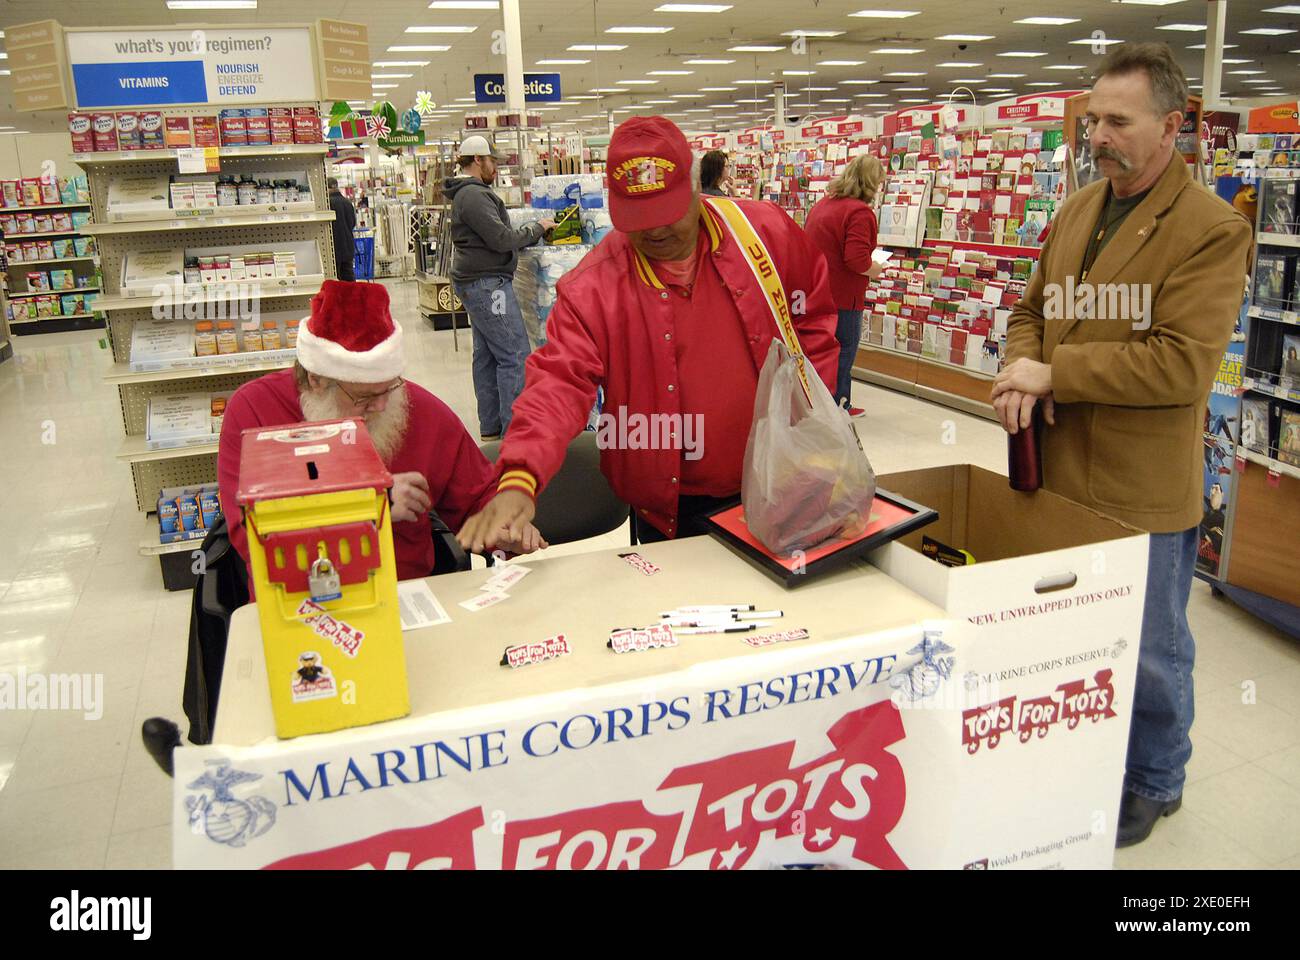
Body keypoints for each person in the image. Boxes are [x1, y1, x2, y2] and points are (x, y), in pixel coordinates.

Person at [990, 42, 1253, 848]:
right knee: (1071, 631)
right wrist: (1014, 367)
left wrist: (1050, 373)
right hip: (1058, 471)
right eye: (1092, 119)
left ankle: (1156, 777)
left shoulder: (1210, 229)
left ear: (1172, 125)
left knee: (1151, 646)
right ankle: (1085, 751)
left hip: (1140, 485)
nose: (1097, 135)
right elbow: (1031, 308)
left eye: (1117, 121)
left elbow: (1179, 364)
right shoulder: (1077, 208)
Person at [455, 116, 839, 553]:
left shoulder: (764, 234)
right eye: (638, 218)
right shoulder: (593, 288)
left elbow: (812, 322)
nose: (654, 231)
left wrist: (811, 424)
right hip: (674, 505)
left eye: (665, 213)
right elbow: (557, 383)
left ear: (696, 188)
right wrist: (519, 478)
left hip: (784, 479)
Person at [217, 280, 545, 588]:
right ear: (316, 381)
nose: (382, 406)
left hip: (409, 601)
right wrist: (372, 505)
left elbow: (476, 495)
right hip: (295, 601)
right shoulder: (254, 413)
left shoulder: (418, 410)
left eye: (390, 387)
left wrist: (502, 526)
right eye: (364, 397)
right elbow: (252, 537)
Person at [444, 135, 556, 441]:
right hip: (488, 285)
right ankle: (515, 433)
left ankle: (492, 426)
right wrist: (537, 229)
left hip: (477, 282)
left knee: (487, 355)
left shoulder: (467, 195)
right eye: (493, 161)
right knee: (514, 353)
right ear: (478, 160)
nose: (496, 167)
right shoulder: (475, 196)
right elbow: (501, 239)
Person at [803, 154, 887, 416]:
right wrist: (877, 268)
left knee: (821, 350)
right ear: (871, 183)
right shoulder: (860, 213)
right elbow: (856, 260)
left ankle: (819, 402)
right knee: (844, 349)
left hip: (815, 290)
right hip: (843, 295)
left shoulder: (824, 205)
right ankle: (838, 404)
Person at [327, 177, 358, 282]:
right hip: (348, 246)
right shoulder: (347, 203)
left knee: (335, 281)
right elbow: (353, 223)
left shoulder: (327, 204)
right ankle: (352, 298)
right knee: (348, 278)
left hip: (332, 247)